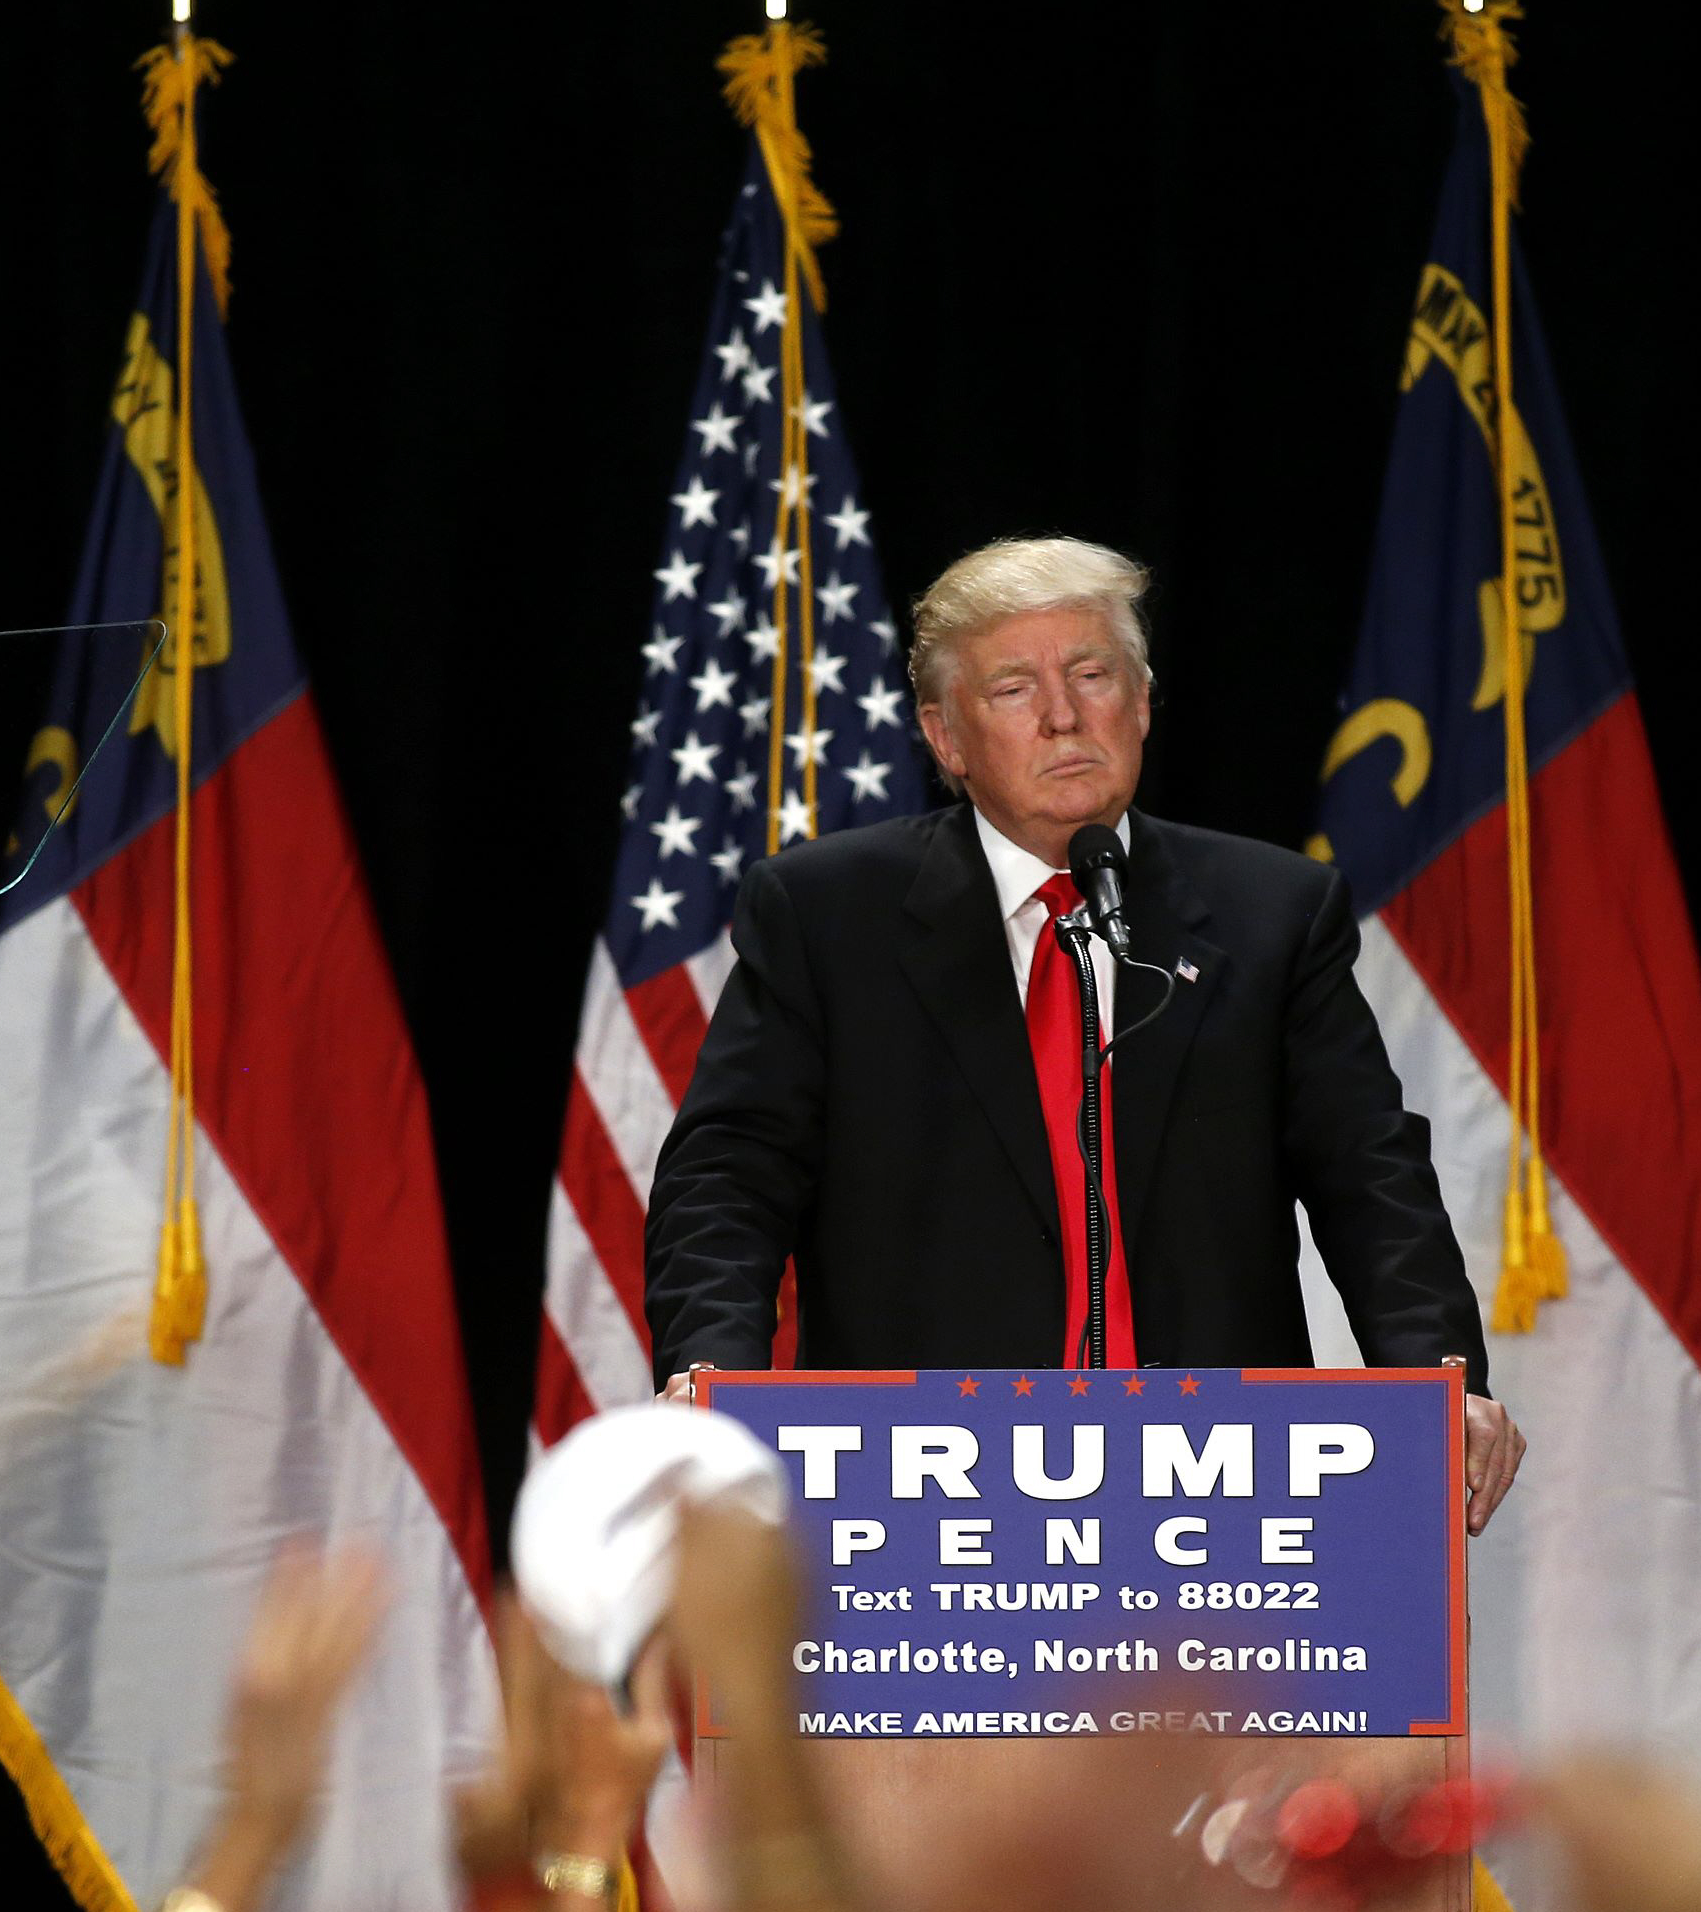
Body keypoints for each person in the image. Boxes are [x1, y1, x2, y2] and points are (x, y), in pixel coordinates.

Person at [645, 537, 1524, 1531]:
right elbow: (729, 1177)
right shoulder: (827, 915)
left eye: (1093, 674)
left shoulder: (1270, 913)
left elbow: (1371, 1175)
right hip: (921, 1485)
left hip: (1214, 1482)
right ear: (945, 736)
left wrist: (1439, 1382)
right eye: (1014, 687)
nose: (1064, 715)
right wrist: (712, 1382)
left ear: (1141, 702)